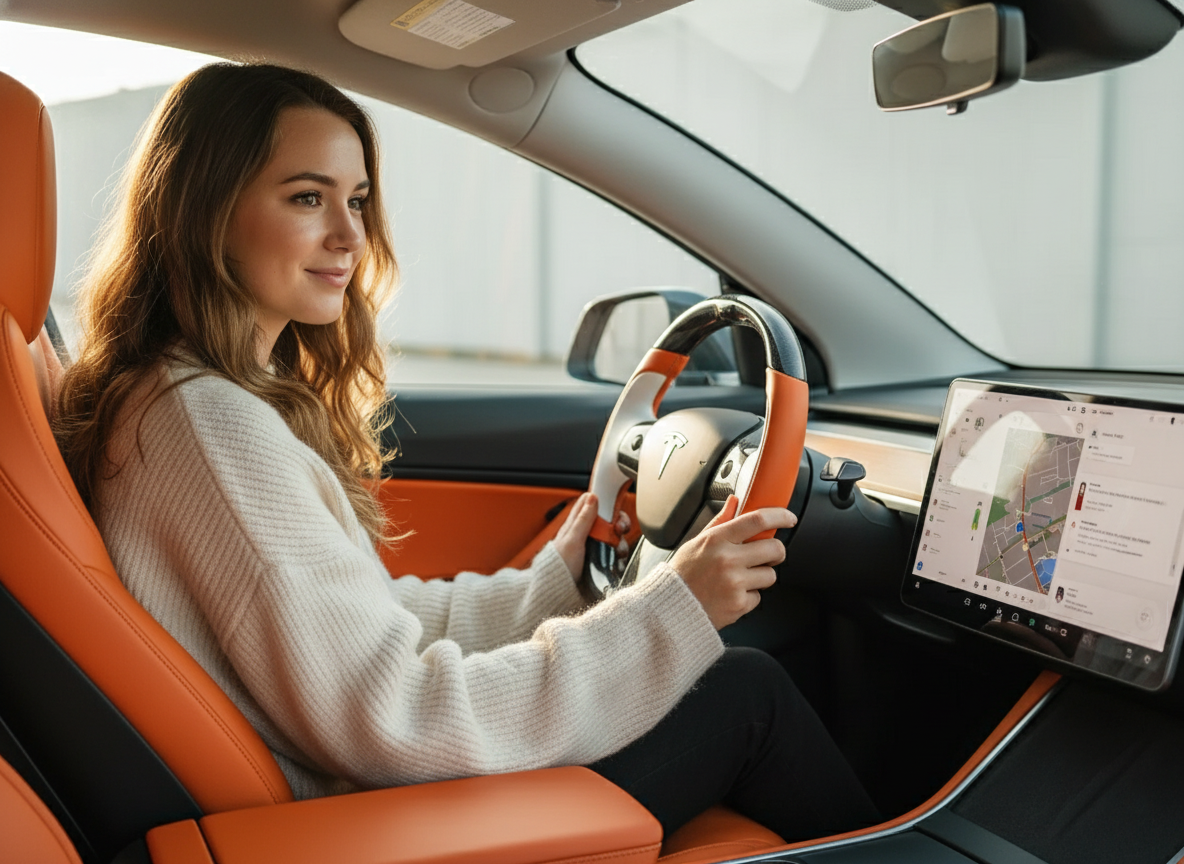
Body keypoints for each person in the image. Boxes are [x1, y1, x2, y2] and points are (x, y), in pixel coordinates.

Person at [53, 63, 878, 841]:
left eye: (360, 200)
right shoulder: (210, 427)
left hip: (359, 801)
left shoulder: (189, 397)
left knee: (731, 671)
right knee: (747, 692)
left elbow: (369, 634)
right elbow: (396, 715)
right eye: (309, 198)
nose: (350, 236)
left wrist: (551, 585)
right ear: (204, 213)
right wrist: (673, 610)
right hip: (375, 824)